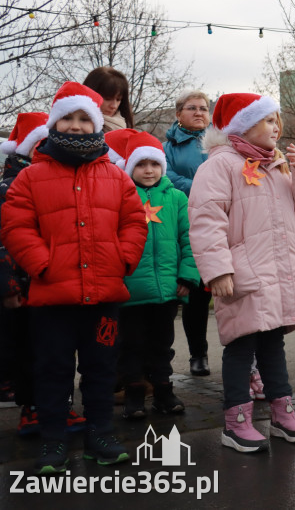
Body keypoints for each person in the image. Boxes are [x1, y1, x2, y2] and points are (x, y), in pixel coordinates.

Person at [1, 82, 148, 474]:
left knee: (101, 368)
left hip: (104, 297)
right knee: (53, 369)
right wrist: (42, 264)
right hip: (53, 298)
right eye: (68, 117)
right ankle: (53, 437)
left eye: (85, 118)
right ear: (54, 123)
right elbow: (15, 225)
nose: (76, 125)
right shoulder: (32, 177)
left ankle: (100, 431)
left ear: (97, 125)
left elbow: (134, 222)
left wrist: (123, 259)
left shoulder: (116, 177)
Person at [189, 93, 295, 453]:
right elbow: (206, 221)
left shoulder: (275, 163)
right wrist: (217, 271)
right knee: (240, 345)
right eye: (268, 120)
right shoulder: (219, 166)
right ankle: (236, 421)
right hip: (242, 273)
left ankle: (282, 411)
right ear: (243, 125)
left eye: (277, 119)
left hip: (277, 271)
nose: (276, 126)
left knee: (272, 344)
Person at [113, 130, 199, 419]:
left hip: (166, 289)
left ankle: (163, 391)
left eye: (153, 164)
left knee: (162, 345)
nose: (148, 170)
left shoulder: (175, 198)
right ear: (129, 167)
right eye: (140, 164)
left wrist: (187, 277)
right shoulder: (120, 197)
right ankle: (135, 394)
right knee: (131, 345)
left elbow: (189, 239)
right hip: (131, 290)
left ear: (162, 166)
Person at [0, 113, 49, 436]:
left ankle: (53, 406)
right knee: (26, 349)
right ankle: (31, 409)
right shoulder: (9, 187)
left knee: (51, 351)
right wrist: (9, 286)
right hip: (21, 283)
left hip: (50, 282)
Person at [163, 90, 213, 377]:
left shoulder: (219, 141)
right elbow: (165, 174)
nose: (198, 113)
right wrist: (201, 186)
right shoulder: (167, 146)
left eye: (203, 108)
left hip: (220, 220)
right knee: (190, 290)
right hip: (185, 221)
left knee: (213, 288)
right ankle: (198, 354)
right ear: (178, 113)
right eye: (191, 108)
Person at [83, 67, 134, 132]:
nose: (114, 106)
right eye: (108, 99)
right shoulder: (79, 129)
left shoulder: (125, 126)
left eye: (118, 99)